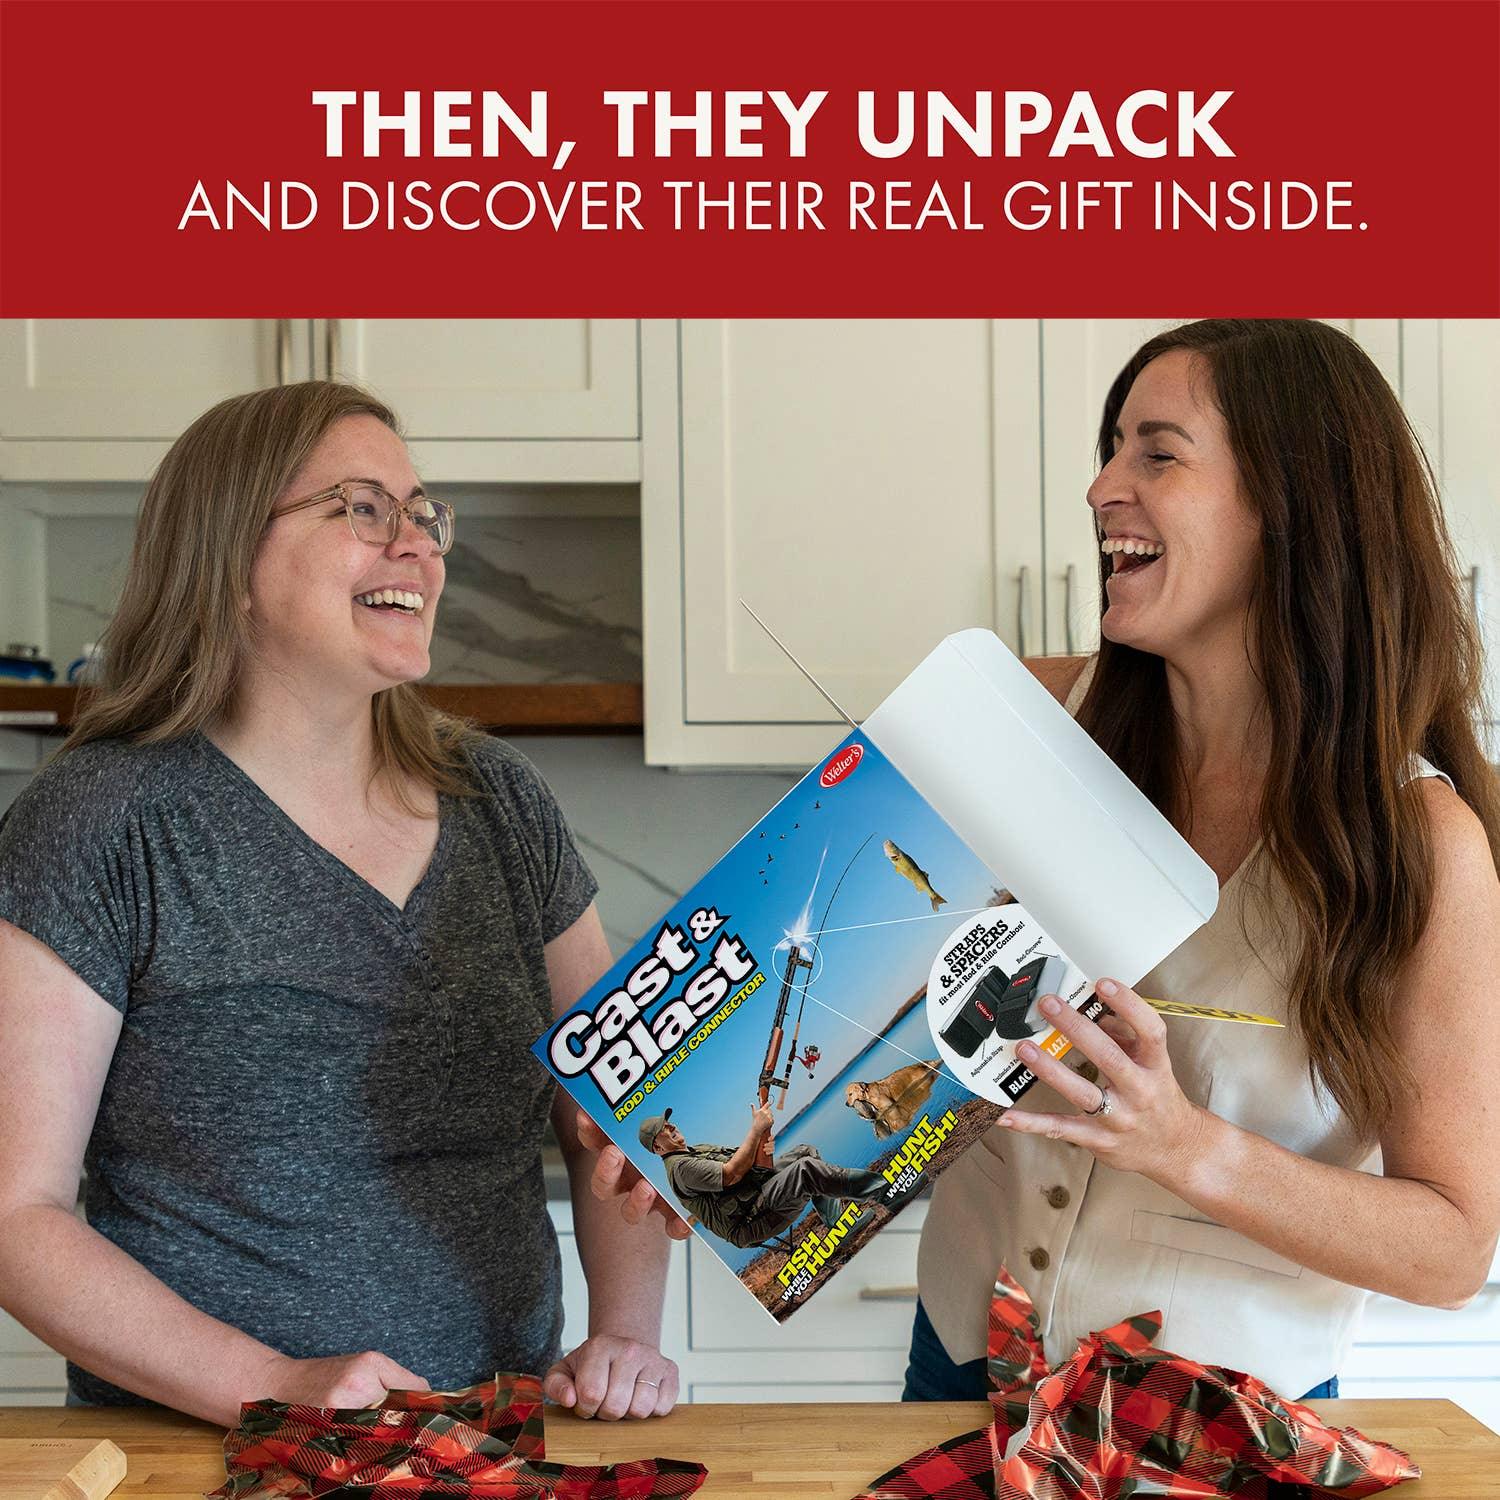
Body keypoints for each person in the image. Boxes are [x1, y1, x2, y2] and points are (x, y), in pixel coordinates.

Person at [585, 319, 1500, 1408]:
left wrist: (1185, 1145)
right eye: (1112, 447)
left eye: (1157, 453)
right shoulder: (1020, 721)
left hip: (1225, 1423)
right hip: (965, 1375)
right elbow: (847, 987)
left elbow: (1450, 1249)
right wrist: (680, 1126)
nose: (1102, 485)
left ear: (1294, 507)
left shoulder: (1420, 847)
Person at [0, 382, 677, 1425]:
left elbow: (621, 1112)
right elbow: (16, 1214)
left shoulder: (501, 804)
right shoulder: (102, 821)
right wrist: (271, 1388)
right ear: (227, 564)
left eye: (425, 513)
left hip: (492, 1444)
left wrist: (627, 1331)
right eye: (363, 508)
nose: (419, 545)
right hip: (203, 1457)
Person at [638, 1105, 904, 1250]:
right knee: (806, 1170)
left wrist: (764, 1140)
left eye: (669, 1122)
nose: (670, 1126)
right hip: (750, 1221)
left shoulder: (699, 1149)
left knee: (806, 1152)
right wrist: (756, 1129)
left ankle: (838, 1225)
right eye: (663, 1129)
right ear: (658, 1148)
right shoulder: (681, 1168)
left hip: (756, 1198)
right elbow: (731, 1175)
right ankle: (887, 1194)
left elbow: (752, 1167)